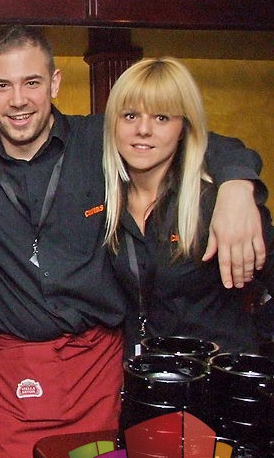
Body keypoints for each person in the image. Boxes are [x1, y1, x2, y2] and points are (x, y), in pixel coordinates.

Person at [0, 25, 265, 458]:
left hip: (99, 374)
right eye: (3, 85)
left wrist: (237, 183)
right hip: (10, 381)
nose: (18, 100)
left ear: (55, 82)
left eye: (32, 82)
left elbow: (185, 134)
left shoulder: (101, 138)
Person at [103, 57, 274, 355]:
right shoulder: (101, 196)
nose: (143, 129)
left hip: (216, 375)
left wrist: (258, 338)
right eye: (130, 116)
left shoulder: (218, 204)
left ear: (183, 127)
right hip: (144, 375)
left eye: (161, 118)